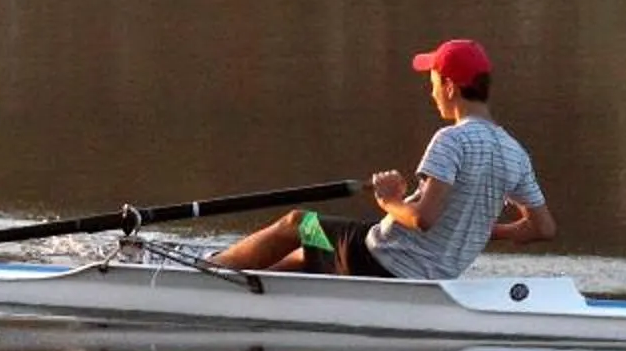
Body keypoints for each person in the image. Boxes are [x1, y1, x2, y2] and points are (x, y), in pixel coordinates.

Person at [207, 38, 554, 278]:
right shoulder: (514, 152)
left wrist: (390, 200)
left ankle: (210, 273)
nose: (430, 91)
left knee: (299, 223)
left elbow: (422, 219)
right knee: (310, 253)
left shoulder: (451, 140)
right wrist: (476, 228)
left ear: (450, 86)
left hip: (382, 260)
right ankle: (250, 286)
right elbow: (543, 228)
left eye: (433, 82)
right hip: (419, 268)